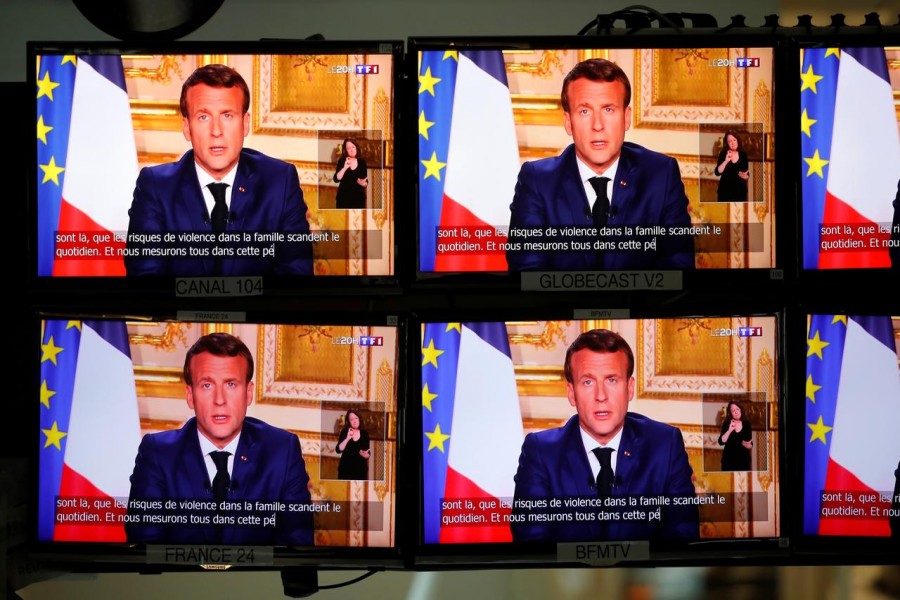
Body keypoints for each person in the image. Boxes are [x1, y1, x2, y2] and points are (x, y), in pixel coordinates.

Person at [506, 58, 695, 271]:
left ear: (626, 118)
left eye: (608, 110)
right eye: (585, 111)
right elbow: (527, 276)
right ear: (568, 122)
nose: (597, 125)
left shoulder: (661, 175)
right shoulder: (537, 181)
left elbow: (678, 271)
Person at [511, 329, 699, 542]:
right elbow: (533, 546)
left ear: (629, 388)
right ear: (571, 393)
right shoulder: (541, 453)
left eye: (611, 380)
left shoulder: (665, 445)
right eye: (588, 382)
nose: (601, 396)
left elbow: (682, 539)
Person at [125, 64, 313, 276]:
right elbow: (145, 279)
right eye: (203, 117)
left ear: (245, 123)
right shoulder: (155, 187)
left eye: (227, 115)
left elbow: (296, 276)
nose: (216, 131)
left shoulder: (280, 182)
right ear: (187, 127)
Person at [126, 332, 314, 545]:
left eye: (231, 384)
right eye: (207, 385)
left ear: (248, 393)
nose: (220, 400)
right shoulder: (158, 454)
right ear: (190, 396)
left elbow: (296, 550)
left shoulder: (282, 451)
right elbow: (145, 551)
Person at [713, 131, 749, 202]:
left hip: (740, 192)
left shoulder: (743, 155)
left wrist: (746, 177)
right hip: (725, 192)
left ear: (737, 140)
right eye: (730, 141)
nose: (732, 143)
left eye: (734, 140)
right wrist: (726, 161)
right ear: (727, 143)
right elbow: (717, 172)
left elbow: (747, 174)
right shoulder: (723, 154)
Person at [332, 138, 368, 209]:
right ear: (346, 150)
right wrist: (345, 168)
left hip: (358, 199)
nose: (351, 150)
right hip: (343, 199)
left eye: (353, 147)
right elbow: (336, 179)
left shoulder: (362, 162)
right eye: (348, 148)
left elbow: (365, 181)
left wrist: (364, 183)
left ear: (356, 147)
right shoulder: (342, 161)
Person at [335, 409, 371, 480]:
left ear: (359, 419)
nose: (354, 421)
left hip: (360, 471)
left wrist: (366, 455)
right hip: (345, 470)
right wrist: (347, 438)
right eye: (351, 419)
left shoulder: (365, 433)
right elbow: (338, 450)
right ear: (349, 421)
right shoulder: (345, 431)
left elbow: (368, 452)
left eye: (356, 418)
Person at [717, 400, 753, 471]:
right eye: (733, 410)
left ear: (741, 410)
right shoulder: (727, 423)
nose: (736, 412)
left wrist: (748, 445)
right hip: (728, 462)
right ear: (730, 413)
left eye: (737, 409)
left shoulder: (747, 424)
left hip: (744, 462)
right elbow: (721, 442)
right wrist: (729, 430)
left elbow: (750, 444)